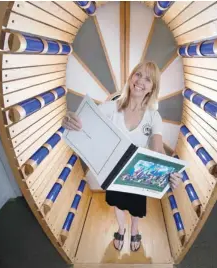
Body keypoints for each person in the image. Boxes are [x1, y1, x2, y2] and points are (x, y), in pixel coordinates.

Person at [62, 61, 182, 252]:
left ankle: (134, 229)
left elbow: (158, 151)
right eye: (138, 74)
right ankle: (121, 228)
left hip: (137, 175)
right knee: (117, 203)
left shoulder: (153, 117)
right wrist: (70, 119)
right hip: (113, 171)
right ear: (131, 77)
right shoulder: (111, 108)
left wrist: (170, 173)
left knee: (135, 207)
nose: (141, 81)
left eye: (148, 79)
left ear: (152, 88)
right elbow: (84, 123)